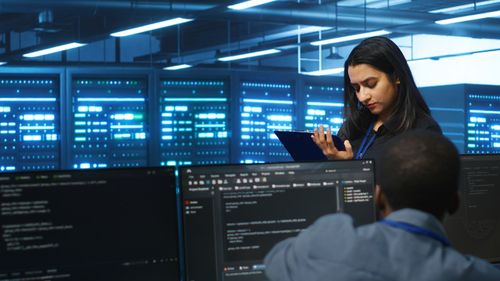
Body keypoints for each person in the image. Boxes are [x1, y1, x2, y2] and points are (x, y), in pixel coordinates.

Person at [265, 131, 500, 281]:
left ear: (377, 196)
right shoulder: (479, 275)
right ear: (455, 202)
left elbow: (274, 261)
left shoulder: (329, 241)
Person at [312, 36, 441, 160]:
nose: (362, 97)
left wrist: (351, 170)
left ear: (396, 77)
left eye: (371, 84)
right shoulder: (352, 127)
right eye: (356, 88)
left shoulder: (424, 131)